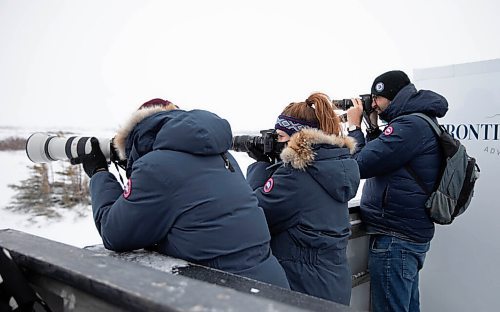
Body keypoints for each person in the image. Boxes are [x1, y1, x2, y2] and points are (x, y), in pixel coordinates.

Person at [78, 98, 290, 289]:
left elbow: (114, 233)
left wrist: (99, 172)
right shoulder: (222, 155)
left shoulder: (155, 168)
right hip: (273, 288)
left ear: (137, 133)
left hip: (229, 295)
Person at [346, 70, 449, 312]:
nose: (375, 105)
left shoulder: (408, 126)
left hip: (395, 237)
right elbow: (384, 157)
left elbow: (359, 165)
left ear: (392, 96)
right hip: (406, 234)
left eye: (377, 99)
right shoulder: (419, 120)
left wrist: (353, 128)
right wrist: (371, 129)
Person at [245, 93, 360, 305]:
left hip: (304, 290)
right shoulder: (334, 166)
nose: (276, 142)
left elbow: (253, 215)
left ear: (297, 138)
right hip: (333, 285)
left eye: (279, 136)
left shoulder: (295, 176)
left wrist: (260, 165)